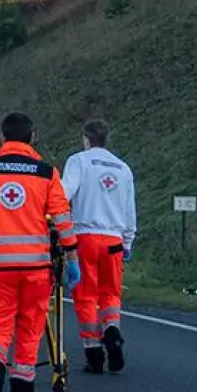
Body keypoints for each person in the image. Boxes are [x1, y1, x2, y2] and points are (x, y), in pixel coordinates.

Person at [0, 112, 80, 392]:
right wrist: (72, 257)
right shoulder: (45, 173)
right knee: (29, 329)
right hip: (36, 268)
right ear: (33, 137)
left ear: (2, 138)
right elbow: (62, 219)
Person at [60, 118, 136, 374]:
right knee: (111, 295)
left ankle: (94, 354)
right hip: (114, 239)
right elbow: (129, 210)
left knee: (86, 296)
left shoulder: (79, 161)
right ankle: (112, 331)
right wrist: (128, 241)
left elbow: (64, 193)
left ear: (85, 138)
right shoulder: (123, 168)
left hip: (85, 238)